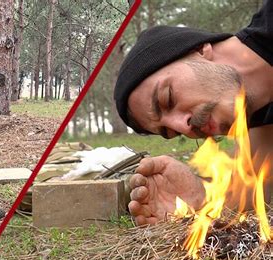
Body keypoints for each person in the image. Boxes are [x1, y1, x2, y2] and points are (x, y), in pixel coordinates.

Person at [113, 0, 272, 226]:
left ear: (199, 49)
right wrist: (199, 198)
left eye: (167, 98)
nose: (183, 127)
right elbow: (249, 197)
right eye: (169, 131)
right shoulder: (260, 121)